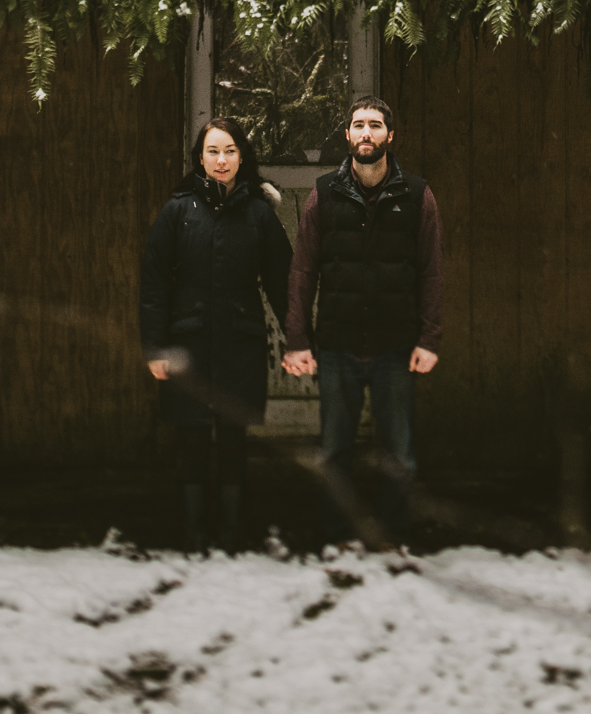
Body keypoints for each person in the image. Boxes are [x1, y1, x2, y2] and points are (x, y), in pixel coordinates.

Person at [281, 94, 443, 546]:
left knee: (400, 455)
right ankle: (336, 538)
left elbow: (431, 271)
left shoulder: (416, 194)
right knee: (334, 453)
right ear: (347, 135)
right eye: (358, 125)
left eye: (375, 125)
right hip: (337, 345)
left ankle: (395, 539)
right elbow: (302, 271)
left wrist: (429, 338)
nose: (366, 132)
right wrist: (298, 339)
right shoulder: (324, 193)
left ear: (390, 136)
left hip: (396, 345)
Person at [138, 117, 292, 552]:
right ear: (199, 158)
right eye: (212, 152)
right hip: (185, 344)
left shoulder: (259, 214)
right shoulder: (177, 211)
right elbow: (154, 284)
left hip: (240, 342)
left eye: (229, 151)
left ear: (242, 157)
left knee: (232, 438)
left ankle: (229, 535)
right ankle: (194, 534)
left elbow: (282, 283)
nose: (221, 160)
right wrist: (154, 347)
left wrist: (298, 340)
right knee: (191, 436)